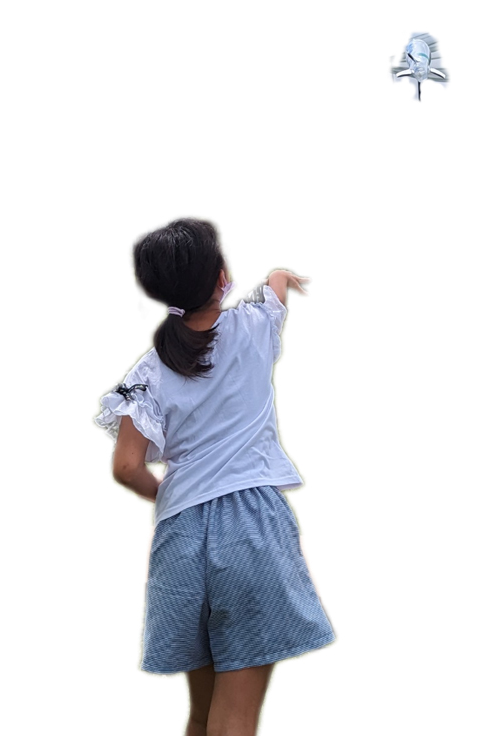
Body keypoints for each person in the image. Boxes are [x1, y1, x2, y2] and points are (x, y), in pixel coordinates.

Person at [96, 218, 334, 736]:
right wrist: (280, 274)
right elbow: (274, 290)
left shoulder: (148, 370)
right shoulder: (253, 326)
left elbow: (126, 467)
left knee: (202, 715)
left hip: (180, 535)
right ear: (221, 277)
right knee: (236, 716)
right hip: (250, 526)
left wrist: (168, 493)